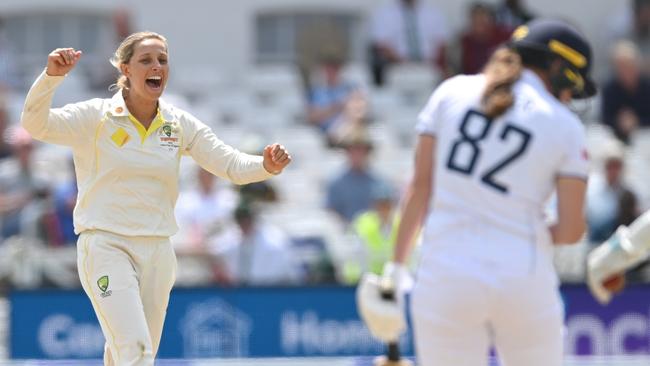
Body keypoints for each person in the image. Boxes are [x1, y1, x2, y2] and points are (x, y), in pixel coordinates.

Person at [20, 31, 291, 366]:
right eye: (146, 60)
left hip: (158, 252)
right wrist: (51, 78)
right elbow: (35, 124)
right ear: (126, 69)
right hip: (107, 245)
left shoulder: (177, 124)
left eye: (162, 60)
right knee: (135, 351)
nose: (157, 67)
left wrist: (265, 165)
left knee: (129, 355)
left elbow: (231, 165)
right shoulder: (96, 116)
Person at [358, 19, 595, 366]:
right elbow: (573, 230)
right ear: (559, 68)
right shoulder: (565, 125)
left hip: (446, 276)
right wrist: (531, 232)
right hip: (523, 277)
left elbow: (419, 190)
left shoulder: (450, 92)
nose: (571, 96)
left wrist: (395, 270)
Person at [369, 0, 450, 86]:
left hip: (428, 66)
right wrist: (404, 62)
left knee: (432, 77)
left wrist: (429, 63)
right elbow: (382, 46)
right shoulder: (384, 14)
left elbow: (442, 44)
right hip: (397, 68)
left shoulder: (433, 13)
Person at [601, 40, 650, 144]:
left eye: (628, 66)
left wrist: (637, 122)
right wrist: (619, 122)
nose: (624, 71)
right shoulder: (610, 89)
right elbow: (605, 120)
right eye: (620, 67)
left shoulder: (647, 86)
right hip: (617, 141)